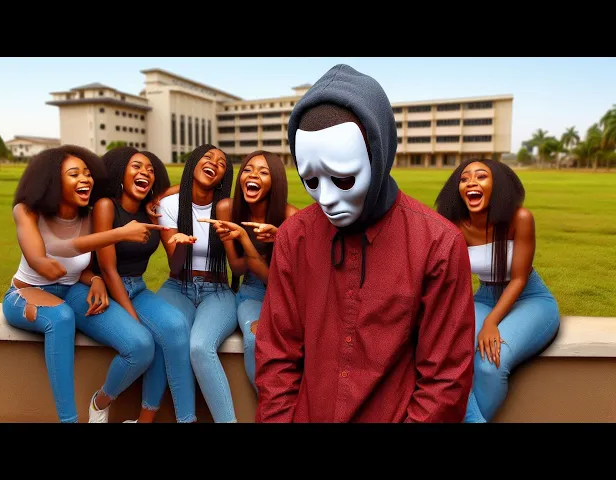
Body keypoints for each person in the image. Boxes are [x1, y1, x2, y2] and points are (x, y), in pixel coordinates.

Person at [253, 64, 476, 423]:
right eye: (311, 181)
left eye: (343, 179)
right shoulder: (294, 237)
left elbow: (445, 380)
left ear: (378, 154)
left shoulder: (438, 244)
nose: (326, 199)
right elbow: (276, 357)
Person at [2, 145, 166, 423]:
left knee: (141, 345)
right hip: (27, 293)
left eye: (88, 174)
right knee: (61, 317)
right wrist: (118, 233)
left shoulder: (89, 217)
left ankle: (99, 403)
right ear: (52, 180)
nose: (85, 179)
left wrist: (96, 278)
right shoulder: (27, 212)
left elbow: (80, 269)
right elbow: (45, 259)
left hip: (73, 293)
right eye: (74, 174)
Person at [65, 146, 197, 423]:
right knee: (141, 343)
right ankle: (100, 402)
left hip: (137, 288)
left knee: (175, 326)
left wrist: (161, 201)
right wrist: (133, 318)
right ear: (120, 174)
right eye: (137, 167)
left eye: (150, 170)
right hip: (100, 288)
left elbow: (182, 189)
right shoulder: (106, 206)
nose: (145, 172)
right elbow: (109, 268)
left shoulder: (151, 211)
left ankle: (146, 420)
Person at [435, 158, 560, 423]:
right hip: (484, 297)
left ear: (498, 185)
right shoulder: (455, 226)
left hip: (529, 298)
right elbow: (447, 277)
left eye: (481, 176)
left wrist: (490, 322)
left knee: (490, 364)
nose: (471, 182)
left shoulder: (520, 218)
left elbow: (519, 278)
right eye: (464, 178)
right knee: (451, 356)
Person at [152, 144, 239, 423]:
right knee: (172, 339)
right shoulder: (170, 206)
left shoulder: (228, 209)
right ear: (193, 163)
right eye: (208, 157)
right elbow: (175, 266)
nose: (214, 162)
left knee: (200, 347)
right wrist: (179, 245)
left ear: (223, 177)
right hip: (178, 285)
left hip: (218, 290)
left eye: (222, 163)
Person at [201, 150, 298, 389]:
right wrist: (246, 241)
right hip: (251, 294)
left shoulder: (290, 216)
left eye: (263, 172)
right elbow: (236, 267)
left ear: (275, 181)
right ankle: (266, 403)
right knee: (255, 338)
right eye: (248, 169)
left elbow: (281, 280)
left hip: (286, 295)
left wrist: (280, 239)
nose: (253, 175)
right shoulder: (226, 208)